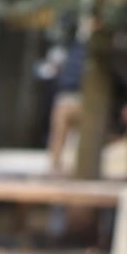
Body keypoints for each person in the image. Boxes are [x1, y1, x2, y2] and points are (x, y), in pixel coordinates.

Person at [45, 38, 86, 174]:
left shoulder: (67, 47)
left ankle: (56, 165)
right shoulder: (87, 50)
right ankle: (67, 166)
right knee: (76, 137)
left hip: (64, 96)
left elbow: (54, 72)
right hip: (79, 96)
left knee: (59, 135)